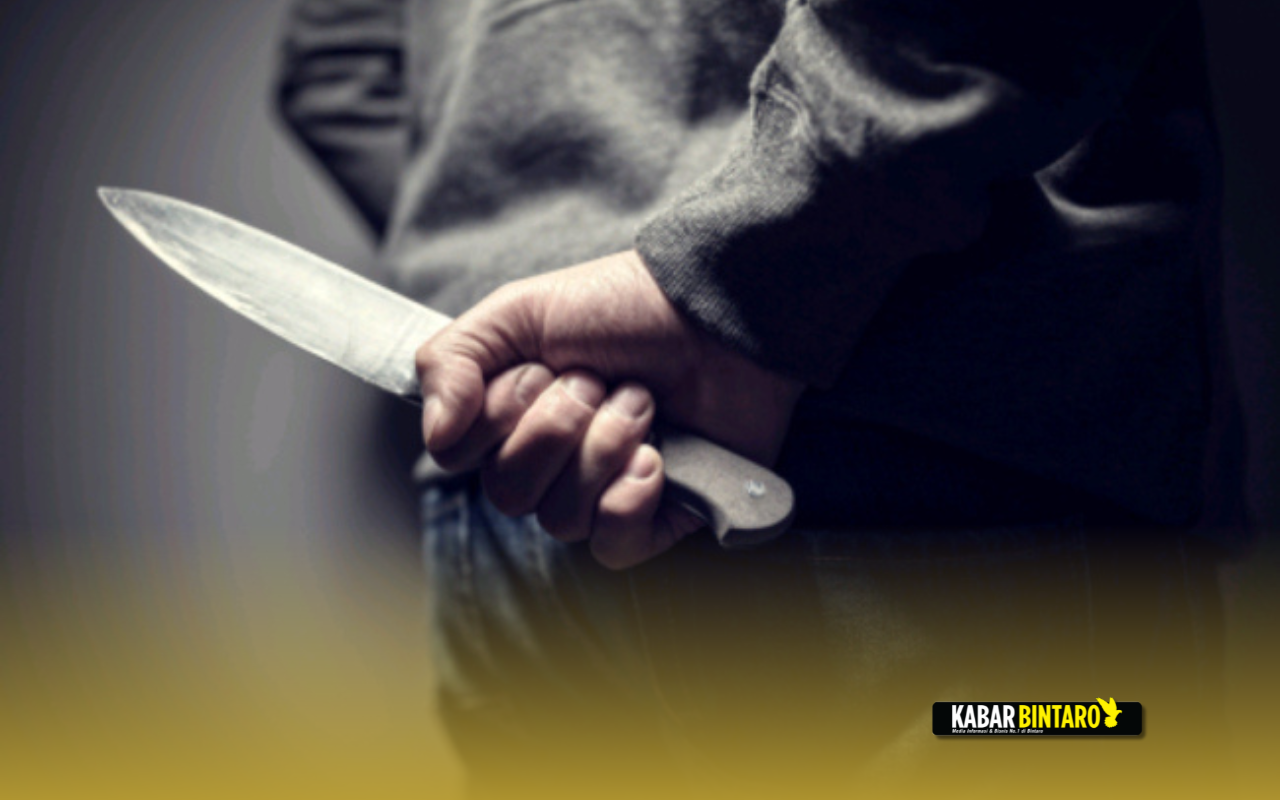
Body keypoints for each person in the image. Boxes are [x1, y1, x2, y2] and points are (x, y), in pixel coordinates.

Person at [277, 0, 1246, 796]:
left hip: (532, 509)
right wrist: (752, 271)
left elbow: (334, 65)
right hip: (920, 447)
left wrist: (537, 264)